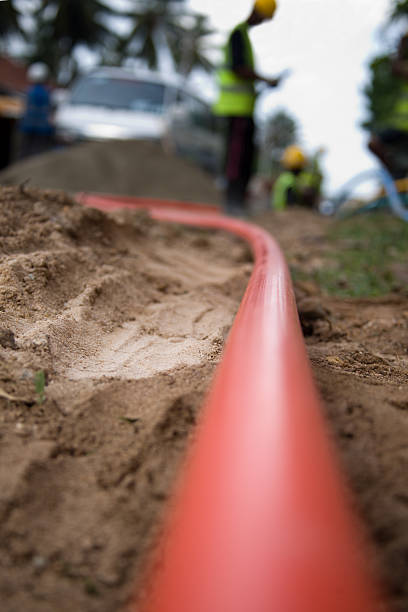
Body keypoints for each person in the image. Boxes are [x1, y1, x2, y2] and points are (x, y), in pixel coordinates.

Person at [213, 0, 286, 215]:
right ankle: (232, 203)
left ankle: (238, 202)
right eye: (263, 17)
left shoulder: (244, 36)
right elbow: (239, 69)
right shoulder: (238, 35)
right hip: (236, 109)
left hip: (244, 109)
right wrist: (265, 79)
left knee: (245, 157)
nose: (262, 22)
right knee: (236, 157)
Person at [368, 32, 408, 178]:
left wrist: (401, 44)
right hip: (401, 127)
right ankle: (396, 172)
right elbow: (396, 69)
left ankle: (397, 173)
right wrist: (402, 44)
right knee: (373, 142)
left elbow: (397, 68)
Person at [19, 62, 54, 159]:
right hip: (42, 130)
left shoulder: (29, 92)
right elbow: (50, 110)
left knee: (25, 152)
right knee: (38, 154)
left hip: (28, 127)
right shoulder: (47, 93)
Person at [272, 145, 320, 210]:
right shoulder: (290, 181)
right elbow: (291, 204)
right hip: (285, 216)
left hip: (277, 214)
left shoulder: (284, 178)